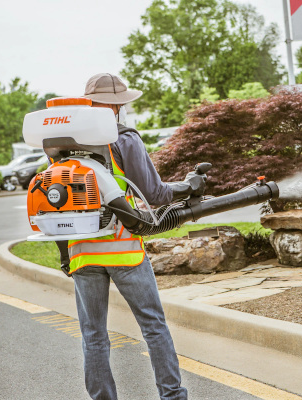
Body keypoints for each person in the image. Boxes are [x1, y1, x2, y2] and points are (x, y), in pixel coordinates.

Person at [57, 73, 203, 400]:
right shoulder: (124, 139)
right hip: (123, 249)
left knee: (93, 336)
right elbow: (154, 192)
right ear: (117, 106)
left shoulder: (63, 142)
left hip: (83, 251)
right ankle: (173, 396)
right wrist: (189, 185)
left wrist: (65, 255)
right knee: (153, 327)